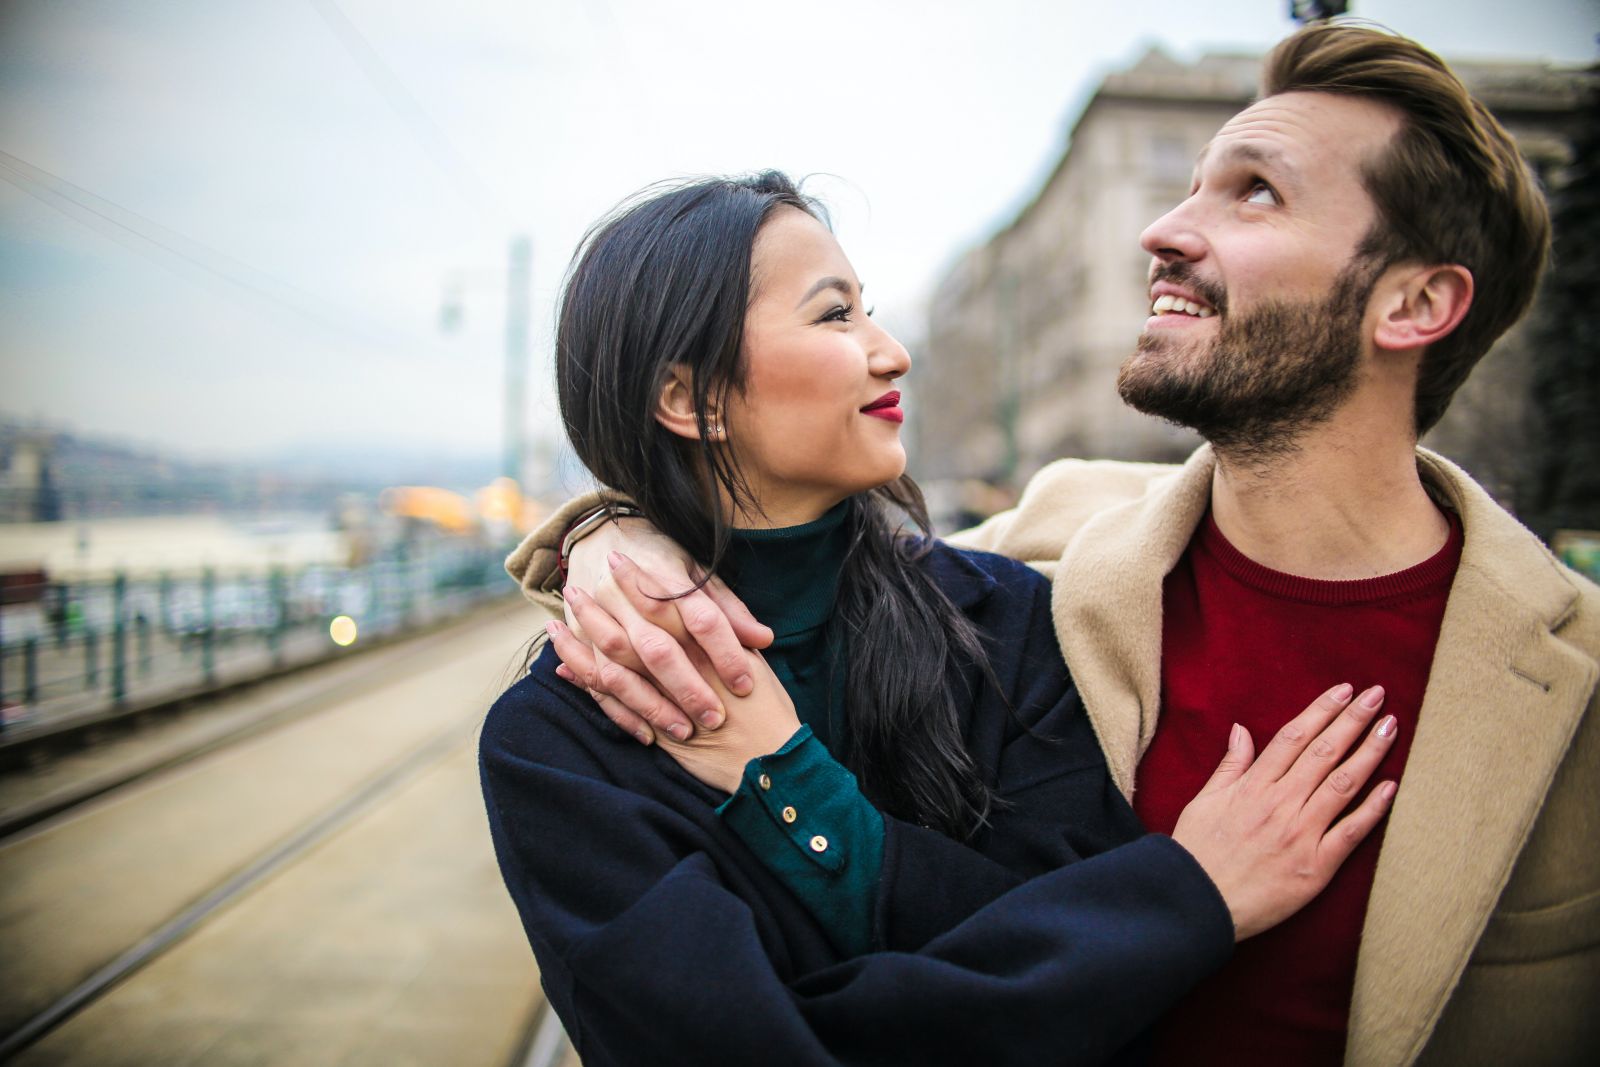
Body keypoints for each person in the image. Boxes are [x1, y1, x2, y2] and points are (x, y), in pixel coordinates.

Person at [533, 21, 1600, 1067]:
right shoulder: (1052, 553)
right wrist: (615, 529)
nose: (1161, 230)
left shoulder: (1580, 674)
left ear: (1414, 303)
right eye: (1188, 182)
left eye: (1255, 191)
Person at [480, 171, 1400, 1067]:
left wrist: (792, 785)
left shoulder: (1005, 619)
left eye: (868, 308)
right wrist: (1173, 902)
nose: (892, 350)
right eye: (835, 314)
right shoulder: (556, 740)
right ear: (688, 397)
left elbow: (1108, 1014)